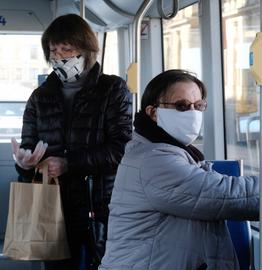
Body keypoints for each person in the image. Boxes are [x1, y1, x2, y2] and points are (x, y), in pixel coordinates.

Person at [99, 69, 262, 270]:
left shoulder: (172, 152)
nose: (192, 113)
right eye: (181, 106)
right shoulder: (153, 160)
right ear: (153, 112)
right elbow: (222, 194)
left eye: (198, 106)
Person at [11, 14, 132, 270]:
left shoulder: (112, 89)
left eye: (67, 48)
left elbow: (122, 149)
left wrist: (68, 164)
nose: (59, 57)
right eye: (54, 50)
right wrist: (24, 163)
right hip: (52, 206)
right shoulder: (39, 97)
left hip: (100, 205)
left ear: (87, 50)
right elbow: (28, 145)